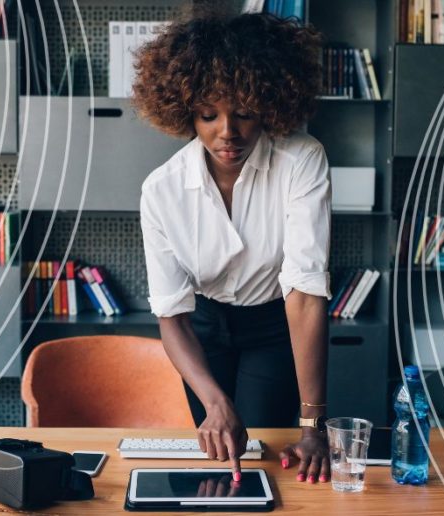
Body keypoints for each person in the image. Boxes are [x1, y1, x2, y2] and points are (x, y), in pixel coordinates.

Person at [131, 8, 331, 485]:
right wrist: (215, 402)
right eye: (208, 115)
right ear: (184, 112)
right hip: (201, 328)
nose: (228, 131)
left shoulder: (301, 160)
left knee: (266, 453)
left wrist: (313, 425)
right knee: (219, 451)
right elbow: (172, 317)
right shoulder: (160, 191)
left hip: (274, 324)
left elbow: (304, 293)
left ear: (268, 104)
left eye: (243, 112)